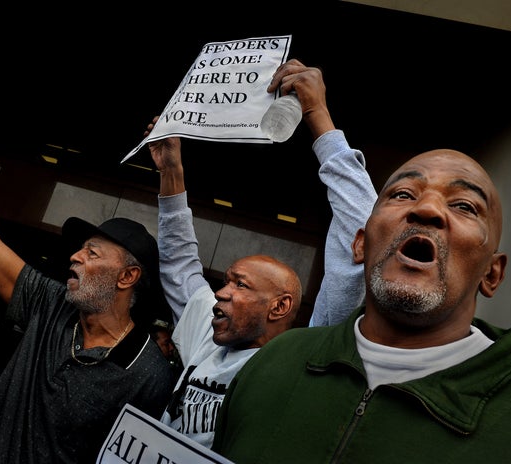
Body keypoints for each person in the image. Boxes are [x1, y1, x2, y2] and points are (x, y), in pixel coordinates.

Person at [211, 149, 511, 461]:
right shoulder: (277, 359)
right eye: (403, 195)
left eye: (464, 205)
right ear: (359, 246)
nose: (427, 209)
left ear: (492, 274)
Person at [0, 115, 176, 464]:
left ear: (127, 277)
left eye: (92, 252)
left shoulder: (149, 373)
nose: (75, 256)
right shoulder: (51, 304)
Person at [146, 59, 378, 449]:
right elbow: (179, 262)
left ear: (279, 306)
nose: (221, 292)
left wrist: (318, 117)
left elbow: (364, 234)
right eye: (226, 281)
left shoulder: (303, 362)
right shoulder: (208, 335)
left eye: (240, 285)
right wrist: (172, 172)